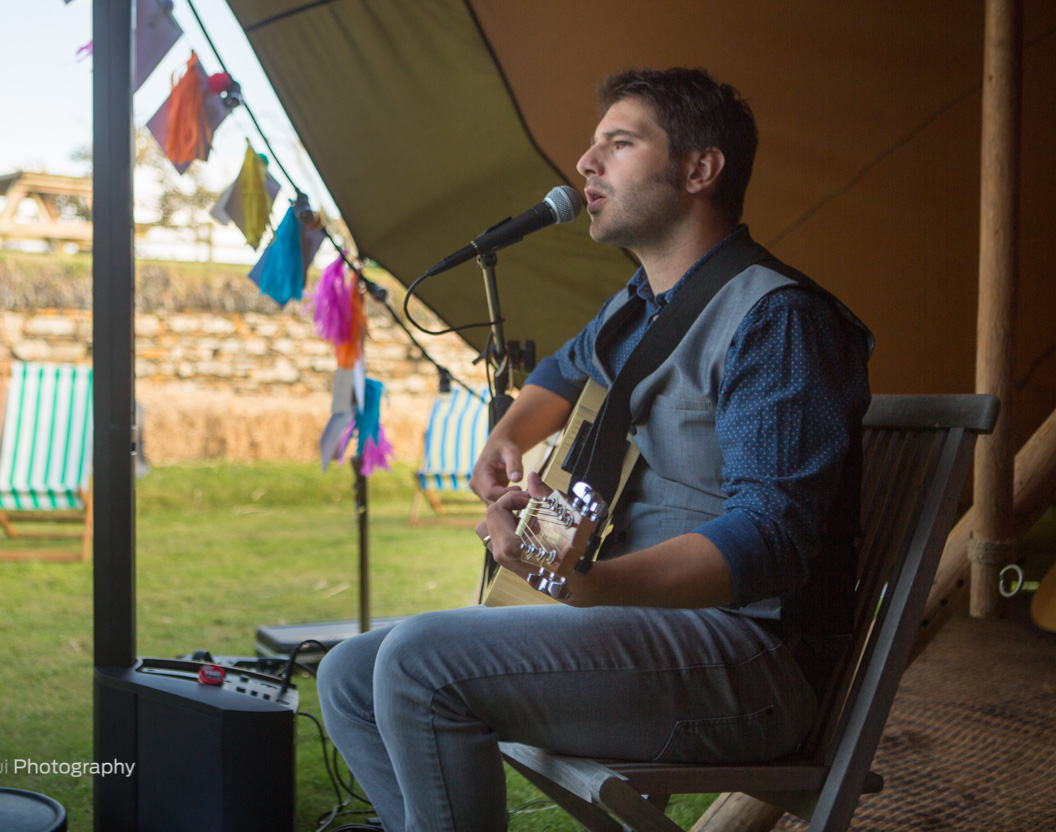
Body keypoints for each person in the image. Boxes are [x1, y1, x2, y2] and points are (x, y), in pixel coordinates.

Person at [316, 67, 874, 832]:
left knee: (419, 663)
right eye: (593, 144)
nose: (585, 163)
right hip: (647, 631)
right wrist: (508, 439)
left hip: (746, 662)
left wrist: (593, 580)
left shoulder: (776, 320)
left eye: (619, 143)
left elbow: (773, 538)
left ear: (699, 169)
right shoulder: (640, 304)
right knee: (349, 673)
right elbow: (565, 368)